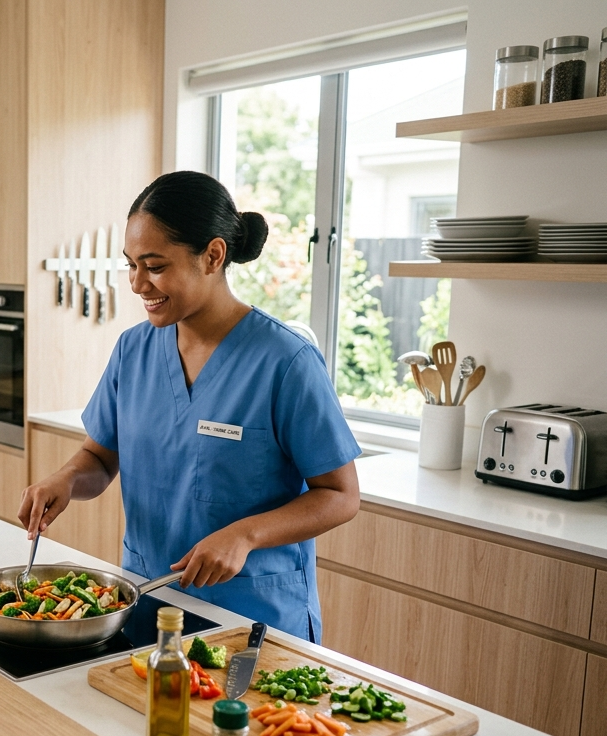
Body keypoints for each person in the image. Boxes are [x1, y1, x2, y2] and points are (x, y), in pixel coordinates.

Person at [18, 172, 361, 643]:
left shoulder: (286, 362)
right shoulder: (133, 350)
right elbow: (100, 458)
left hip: (250, 615)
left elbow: (340, 495)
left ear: (213, 256)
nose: (138, 283)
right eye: (131, 265)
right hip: (146, 600)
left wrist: (245, 535)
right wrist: (67, 478)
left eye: (155, 266)